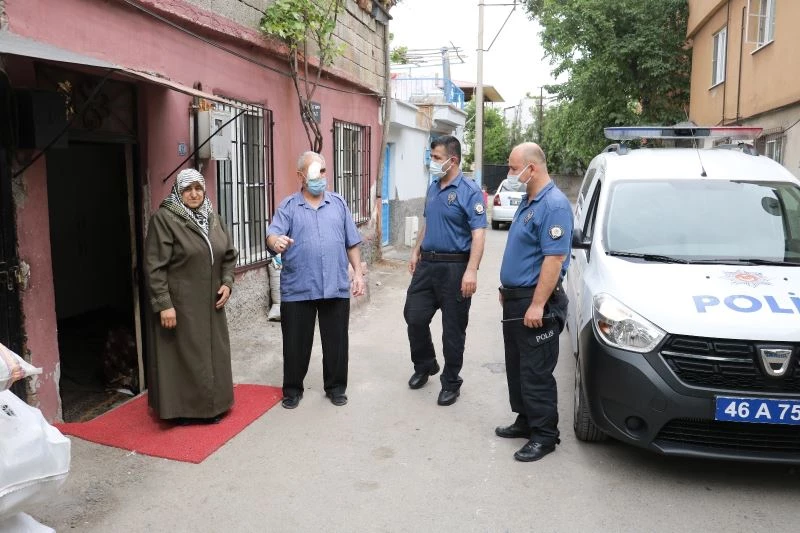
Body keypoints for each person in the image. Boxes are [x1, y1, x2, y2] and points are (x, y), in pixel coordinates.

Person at [267, 151, 365, 409]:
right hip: (299, 286)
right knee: (295, 344)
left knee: (337, 343)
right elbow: (272, 235)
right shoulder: (288, 207)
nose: (321, 176)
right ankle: (292, 390)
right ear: (301, 176)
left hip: (335, 284)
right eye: (314, 172)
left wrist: (358, 273)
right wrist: (276, 242)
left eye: (323, 170)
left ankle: (336, 388)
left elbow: (352, 242)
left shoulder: (338, 204)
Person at [496, 142, 572, 462]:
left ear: (532, 168)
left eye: (514, 168)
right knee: (517, 366)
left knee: (536, 371)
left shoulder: (553, 205)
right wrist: (508, 288)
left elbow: (554, 259)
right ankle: (526, 420)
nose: (510, 173)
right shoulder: (530, 200)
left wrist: (538, 304)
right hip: (517, 298)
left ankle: (545, 435)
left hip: (536, 300)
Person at [144, 168, 238, 425]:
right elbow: (154, 266)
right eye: (188, 189)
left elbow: (228, 255)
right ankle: (184, 411)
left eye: (198, 188)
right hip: (181, 304)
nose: (194, 194)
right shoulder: (164, 219)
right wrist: (164, 304)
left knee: (212, 356)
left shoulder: (213, 218)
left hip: (212, 303)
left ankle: (215, 405)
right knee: (184, 358)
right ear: (178, 191)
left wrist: (227, 282)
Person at [404, 136, 486, 406]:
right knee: (414, 316)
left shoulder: (470, 191)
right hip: (427, 265)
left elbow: (478, 234)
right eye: (432, 157)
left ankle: (451, 382)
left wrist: (471, 270)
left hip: (455, 267)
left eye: (437, 158)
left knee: (453, 330)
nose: (432, 162)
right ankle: (425, 364)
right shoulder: (433, 188)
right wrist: (416, 250)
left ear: (453, 160)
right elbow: (428, 223)